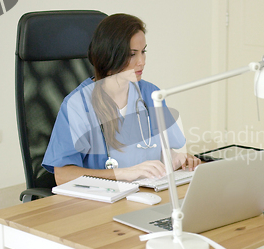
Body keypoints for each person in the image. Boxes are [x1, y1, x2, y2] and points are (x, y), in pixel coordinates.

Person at [42, 13, 200, 185]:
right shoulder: (78, 105)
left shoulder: (151, 93)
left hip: (148, 192)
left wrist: (178, 159)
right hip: (102, 200)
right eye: (132, 54)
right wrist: (122, 173)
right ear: (110, 55)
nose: (142, 61)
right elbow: (63, 176)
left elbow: (162, 150)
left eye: (143, 51)